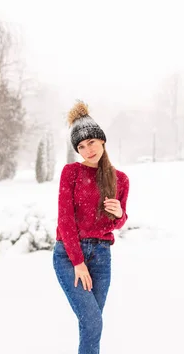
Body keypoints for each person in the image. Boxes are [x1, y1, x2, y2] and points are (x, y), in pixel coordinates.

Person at [53, 100, 130, 354]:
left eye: (91, 143)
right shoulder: (71, 173)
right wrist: (77, 261)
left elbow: (117, 223)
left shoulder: (120, 179)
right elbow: (65, 220)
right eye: (81, 146)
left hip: (101, 257)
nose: (87, 150)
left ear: (102, 141)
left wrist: (120, 214)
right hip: (69, 255)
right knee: (92, 321)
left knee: (91, 326)